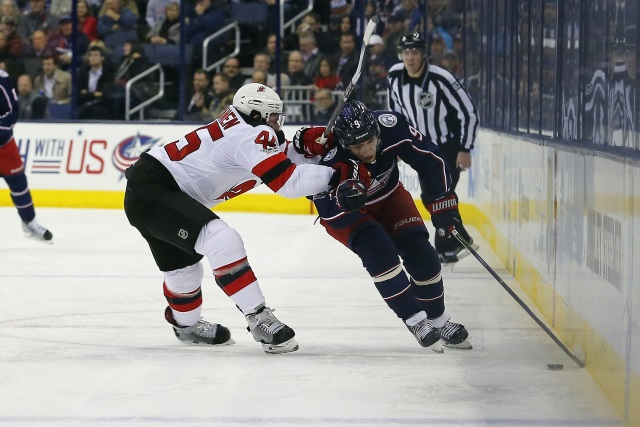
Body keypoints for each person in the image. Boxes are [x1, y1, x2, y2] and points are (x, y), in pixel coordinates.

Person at [123, 83, 367, 354]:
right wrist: (334, 177)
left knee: (185, 271)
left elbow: (280, 155)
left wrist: (302, 143)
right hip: (155, 191)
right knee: (221, 239)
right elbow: (287, 182)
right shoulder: (250, 135)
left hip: (148, 190)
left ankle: (186, 326)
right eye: (274, 116)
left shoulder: (243, 130)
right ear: (256, 114)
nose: (277, 122)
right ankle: (258, 317)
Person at [291, 100, 471, 350]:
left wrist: (442, 204)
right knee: (381, 254)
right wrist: (341, 197)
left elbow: (431, 159)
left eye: (370, 141)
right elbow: (319, 203)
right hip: (348, 213)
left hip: (390, 196)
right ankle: (415, 319)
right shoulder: (329, 160)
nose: (367, 151)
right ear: (344, 144)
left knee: (424, 255)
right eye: (357, 146)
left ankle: (439, 320)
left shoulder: (391, 126)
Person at [387, 32, 479, 265]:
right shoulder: (394, 75)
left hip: (447, 146)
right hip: (420, 147)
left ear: (424, 54)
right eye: (405, 52)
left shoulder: (441, 78)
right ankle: (458, 241)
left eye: (415, 51)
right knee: (434, 196)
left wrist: (465, 148)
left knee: (438, 194)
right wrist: (396, 143)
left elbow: (468, 112)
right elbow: (395, 113)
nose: (410, 57)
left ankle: (447, 247)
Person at [0, 69, 52, 241]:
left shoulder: (3, 79)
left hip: (4, 144)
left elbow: (12, 111)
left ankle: (29, 222)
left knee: (18, 183)